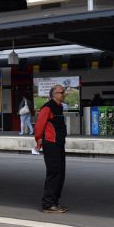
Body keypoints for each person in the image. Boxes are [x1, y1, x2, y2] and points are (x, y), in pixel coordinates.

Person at [34, 84, 68, 213]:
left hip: (59, 145)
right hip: (51, 144)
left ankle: (54, 202)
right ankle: (47, 204)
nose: (63, 94)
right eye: (61, 92)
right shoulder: (47, 108)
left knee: (61, 173)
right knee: (53, 173)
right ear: (54, 94)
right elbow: (39, 126)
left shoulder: (59, 107)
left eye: (63, 92)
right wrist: (38, 139)